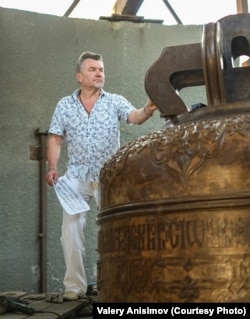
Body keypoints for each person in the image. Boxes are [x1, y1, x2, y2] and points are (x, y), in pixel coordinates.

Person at [46, 51, 158, 301]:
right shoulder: (64, 105)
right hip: (75, 177)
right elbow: (55, 137)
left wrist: (148, 109)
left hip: (108, 177)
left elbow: (135, 117)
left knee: (114, 230)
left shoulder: (114, 101)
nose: (99, 73)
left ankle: (115, 283)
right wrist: (53, 167)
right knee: (70, 230)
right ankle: (74, 286)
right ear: (79, 76)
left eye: (101, 69)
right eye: (93, 69)